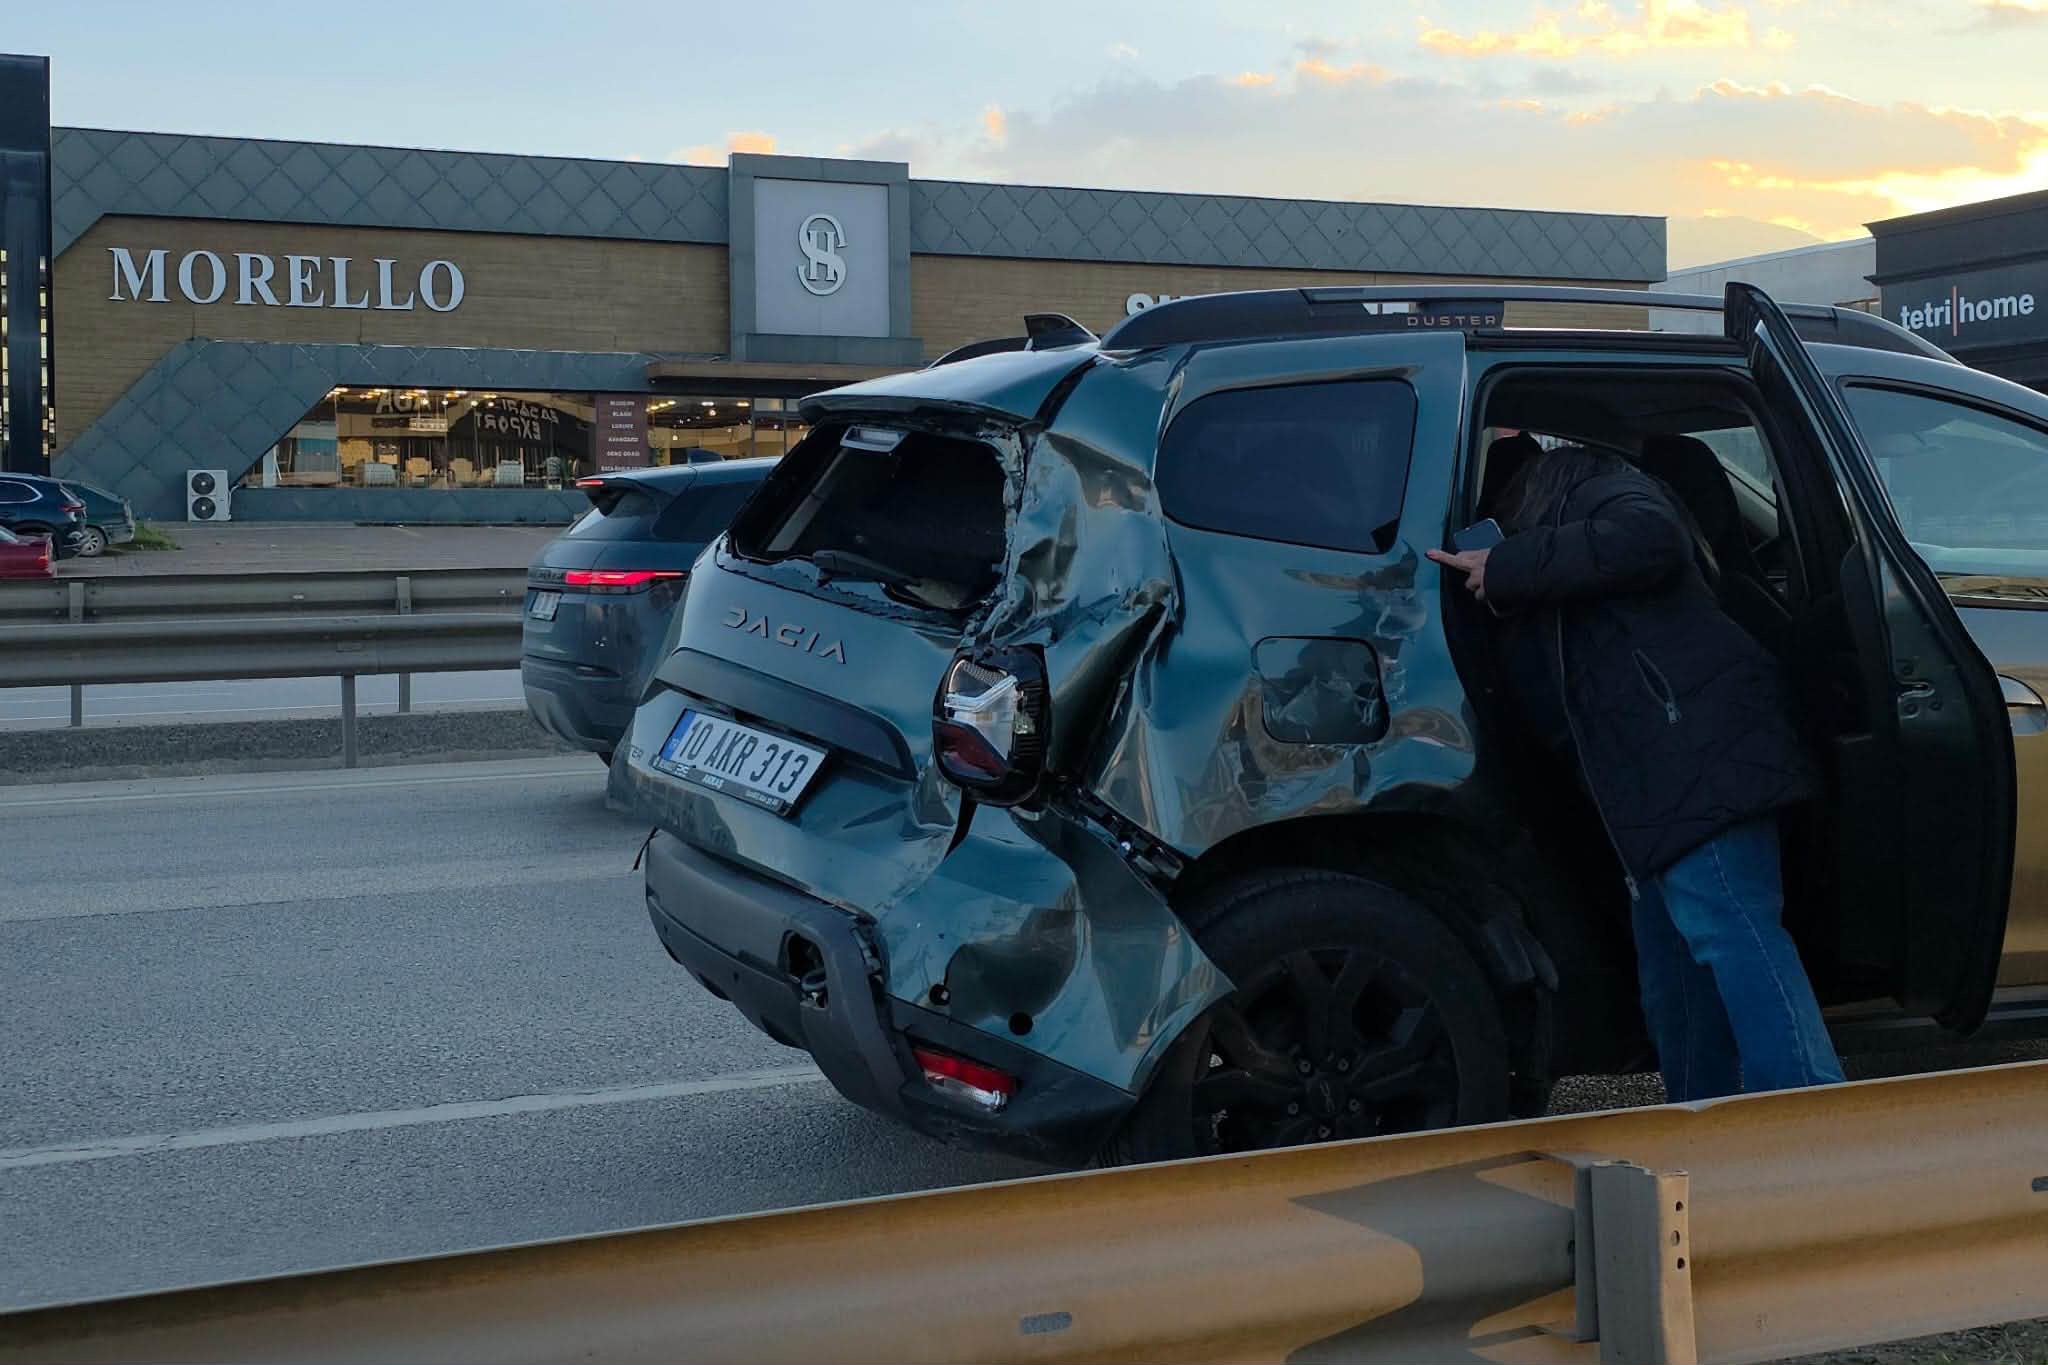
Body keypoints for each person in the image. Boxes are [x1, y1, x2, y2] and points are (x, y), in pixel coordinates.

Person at [1427, 442, 1845, 1101]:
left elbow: (1651, 539)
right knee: (1676, 981)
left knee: (1731, 931)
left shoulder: (1597, 486)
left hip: (1699, 757)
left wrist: (1509, 565)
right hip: (1652, 788)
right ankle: (1696, 1124)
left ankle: (1807, 1107)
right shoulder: (1551, 569)